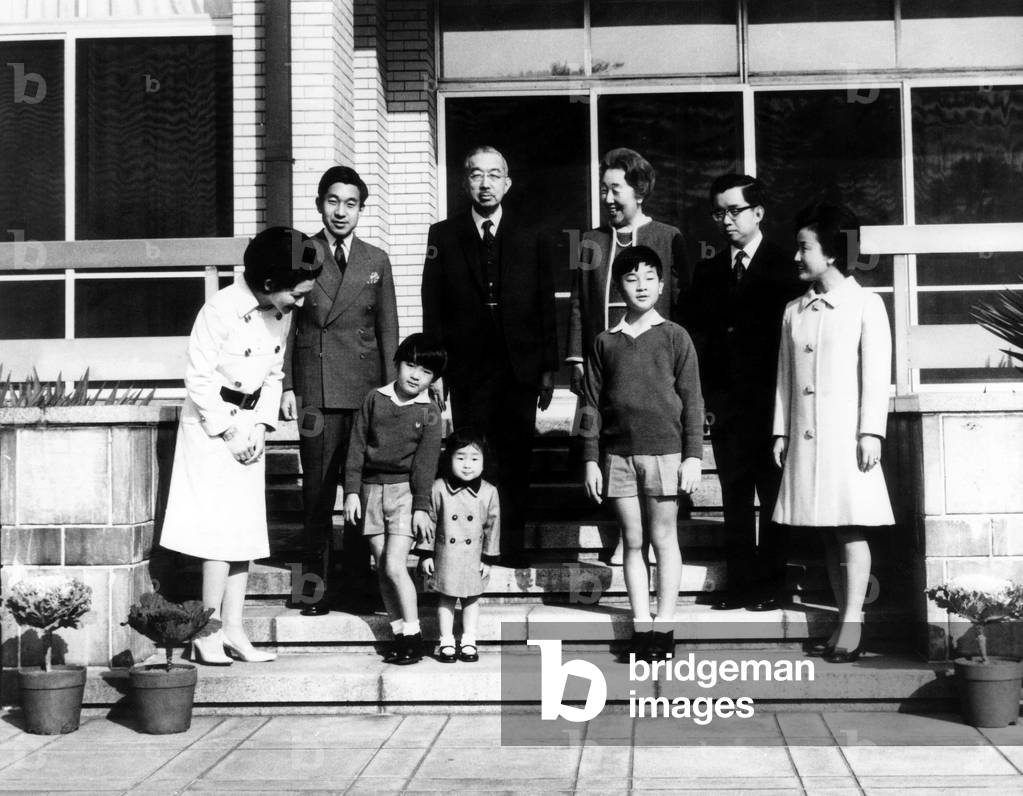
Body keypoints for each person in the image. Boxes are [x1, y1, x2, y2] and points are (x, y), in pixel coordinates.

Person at [161, 226, 322, 664]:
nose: (300, 303)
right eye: (298, 294)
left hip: (249, 430)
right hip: (213, 431)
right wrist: (230, 433)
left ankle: (233, 628)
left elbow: (273, 376)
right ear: (270, 284)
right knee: (218, 537)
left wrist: (260, 428)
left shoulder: (278, 313)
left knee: (245, 533)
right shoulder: (220, 309)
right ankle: (207, 630)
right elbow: (198, 379)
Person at [421, 145, 558, 563]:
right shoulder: (443, 235)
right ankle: (474, 548)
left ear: (507, 182)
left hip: (520, 367)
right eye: (476, 175)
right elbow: (434, 305)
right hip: (467, 368)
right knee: (471, 456)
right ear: (465, 181)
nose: (485, 184)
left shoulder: (532, 233)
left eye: (494, 175)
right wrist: (437, 369)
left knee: (516, 457)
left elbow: (545, 304)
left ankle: (511, 546)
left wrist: (548, 368)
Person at [772, 202, 894, 664]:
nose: (797, 257)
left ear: (832, 253)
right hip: (805, 438)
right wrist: (780, 432)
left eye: (805, 248)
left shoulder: (866, 304)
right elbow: (785, 377)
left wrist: (871, 433)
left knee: (850, 528)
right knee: (826, 531)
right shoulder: (793, 310)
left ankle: (852, 623)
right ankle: (844, 618)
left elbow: (876, 374)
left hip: (847, 439)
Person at [281, 165, 399, 615]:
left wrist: (391, 393)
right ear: (318, 204)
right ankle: (310, 588)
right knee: (316, 492)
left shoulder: (376, 259)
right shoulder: (301, 252)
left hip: (365, 392)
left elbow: (389, 330)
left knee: (362, 493)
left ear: (361, 210)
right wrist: (288, 386)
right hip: (315, 388)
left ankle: (356, 584)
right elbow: (284, 324)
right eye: (333, 201)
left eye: (351, 203)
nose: (341, 212)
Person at [685, 174, 805, 611]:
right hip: (725, 407)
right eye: (719, 212)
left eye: (735, 210)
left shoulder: (785, 267)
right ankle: (739, 584)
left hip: (773, 406)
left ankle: (772, 584)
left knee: (773, 496)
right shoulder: (709, 270)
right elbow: (697, 337)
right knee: (734, 497)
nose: (726, 220)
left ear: (758, 212)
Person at [567, 147, 690, 565]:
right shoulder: (589, 242)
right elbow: (579, 305)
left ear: (638, 190)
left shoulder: (668, 237)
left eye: (614, 189)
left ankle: (656, 537)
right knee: (610, 444)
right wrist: (576, 358)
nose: (607, 198)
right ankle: (627, 534)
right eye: (603, 190)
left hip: (656, 369)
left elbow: (680, 300)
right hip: (606, 361)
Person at [581, 245, 704, 662]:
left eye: (650, 277)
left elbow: (693, 401)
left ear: (662, 284)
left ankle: (664, 628)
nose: (641, 286)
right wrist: (590, 459)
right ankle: (640, 626)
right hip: (618, 457)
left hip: (666, 455)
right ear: (619, 286)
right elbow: (591, 406)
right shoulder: (605, 342)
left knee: (663, 538)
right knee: (633, 541)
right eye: (632, 278)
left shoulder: (675, 336)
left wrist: (693, 456)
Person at [343, 333, 446, 666]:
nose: (416, 375)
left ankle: (414, 635)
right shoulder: (374, 399)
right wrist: (351, 492)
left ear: (434, 379)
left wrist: (420, 508)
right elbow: (356, 448)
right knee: (382, 569)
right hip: (371, 492)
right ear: (398, 363)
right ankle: (400, 634)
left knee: (393, 564)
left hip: (403, 494)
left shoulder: (430, 412)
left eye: (426, 372)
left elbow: (426, 465)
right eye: (411, 365)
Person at [418, 428, 501, 664]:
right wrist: (426, 554)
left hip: (474, 555)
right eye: (460, 458)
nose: (467, 465)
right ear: (449, 459)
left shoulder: (489, 492)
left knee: (471, 599)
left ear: (484, 462)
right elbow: (430, 521)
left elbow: (493, 526)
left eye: (475, 459)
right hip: (447, 554)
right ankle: (445, 640)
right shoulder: (438, 488)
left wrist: (489, 558)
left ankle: (468, 640)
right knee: (446, 597)